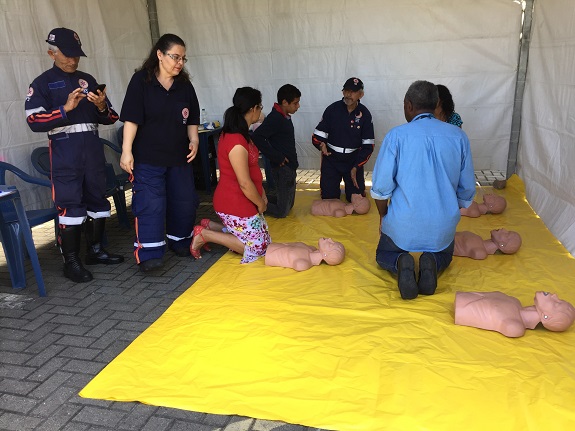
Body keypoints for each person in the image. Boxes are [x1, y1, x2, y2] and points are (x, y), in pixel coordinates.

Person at [25, 28, 124, 283]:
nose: (73, 60)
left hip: (91, 151)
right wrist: (64, 109)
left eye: (77, 55)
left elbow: (111, 117)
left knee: (98, 200)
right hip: (65, 153)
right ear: (51, 53)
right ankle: (71, 262)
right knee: (70, 205)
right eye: (67, 55)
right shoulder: (42, 83)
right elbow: (33, 120)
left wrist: (102, 105)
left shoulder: (87, 78)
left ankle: (96, 251)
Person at [371, 80, 476, 300]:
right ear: (437, 103)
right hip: (442, 226)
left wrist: (383, 215)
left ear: (408, 105)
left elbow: (381, 189)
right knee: (445, 252)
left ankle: (400, 261)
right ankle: (434, 261)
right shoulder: (458, 136)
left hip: (403, 225)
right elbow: (466, 189)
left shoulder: (396, 136)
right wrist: (446, 209)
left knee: (384, 253)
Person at [119, 34, 200, 272]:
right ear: (159, 55)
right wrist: (126, 151)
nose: (179, 63)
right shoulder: (141, 81)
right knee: (150, 204)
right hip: (148, 158)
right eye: (175, 57)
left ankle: (179, 240)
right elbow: (131, 119)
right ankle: (150, 252)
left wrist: (194, 139)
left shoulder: (184, 85)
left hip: (179, 157)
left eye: (183, 58)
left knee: (184, 201)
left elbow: (192, 117)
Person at [191, 87, 271, 263]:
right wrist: (260, 203)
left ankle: (210, 226)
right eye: (260, 106)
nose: (261, 111)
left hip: (244, 200)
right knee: (258, 248)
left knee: (266, 241)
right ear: (253, 109)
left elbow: (252, 172)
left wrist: (261, 195)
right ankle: (205, 234)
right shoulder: (236, 140)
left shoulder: (242, 134)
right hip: (234, 201)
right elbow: (244, 182)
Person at [312, 77, 375, 202]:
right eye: (346, 91)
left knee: (357, 201)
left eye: (353, 91)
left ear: (361, 95)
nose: (348, 95)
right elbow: (317, 135)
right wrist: (321, 145)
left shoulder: (365, 114)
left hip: (353, 161)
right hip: (331, 159)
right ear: (342, 92)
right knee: (329, 199)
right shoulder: (332, 110)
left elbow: (369, 146)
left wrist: (356, 166)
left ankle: (355, 188)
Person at [252, 84, 301, 218]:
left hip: (289, 167)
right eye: (295, 103)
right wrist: (276, 157)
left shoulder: (284, 116)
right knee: (282, 211)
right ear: (285, 102)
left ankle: (261, 199)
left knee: (288, 205)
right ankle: (254, 203)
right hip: (282, 168)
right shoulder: (275, 118)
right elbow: (257, 136)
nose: (298, 106)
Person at [454, 291, 575, 337]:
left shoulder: (514, 327)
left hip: (458, 312)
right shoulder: (515, 301)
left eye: (557, 303)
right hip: (458, 300)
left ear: (546, 317)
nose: (554, 296)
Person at [265, 238, 345, 271]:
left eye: (331, 244)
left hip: (266, 255)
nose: (330, 239)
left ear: (325, 255)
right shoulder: (311, 249)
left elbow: (299, 266)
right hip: (267, 246)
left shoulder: (304, 263)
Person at [454, 229, 522, 260]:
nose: (503, 229)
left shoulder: (480, 252)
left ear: (502, 245)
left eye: (507, 234)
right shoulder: (478, 239)